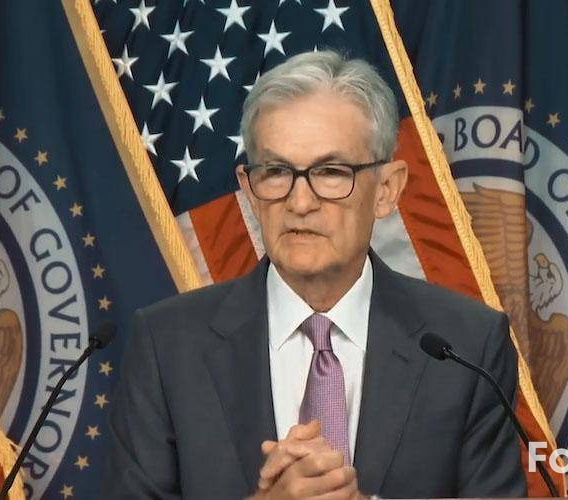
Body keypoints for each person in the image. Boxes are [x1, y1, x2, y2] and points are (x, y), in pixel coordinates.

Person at [104, 50, 526, 499]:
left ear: (387, 190)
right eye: (276, 172)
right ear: (250, 191)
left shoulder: (467, 346)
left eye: (330, 172)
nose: (300, 203)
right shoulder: (167, 345)